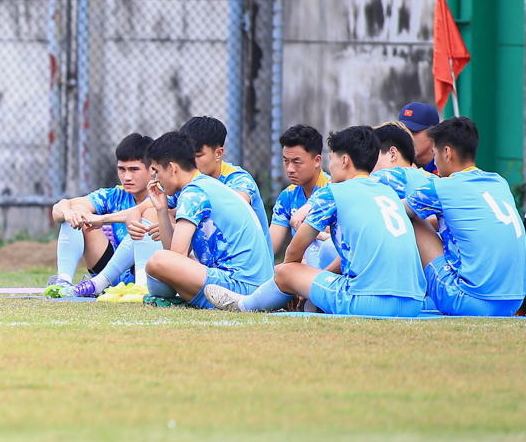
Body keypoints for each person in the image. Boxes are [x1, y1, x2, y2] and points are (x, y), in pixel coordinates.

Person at [205, 125, 426, 317]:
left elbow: (293, 252)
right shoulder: (387, 191)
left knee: (286, 271)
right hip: (413, 303)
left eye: (332, 159)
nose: (331, 166)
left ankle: (243, 304)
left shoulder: (333, 191)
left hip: (367, 301)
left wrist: (292, 282)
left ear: (344, 160)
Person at [404, 117, 526, 317]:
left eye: (435, 153)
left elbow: (394, 211)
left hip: (468, 301)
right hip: (514, 301)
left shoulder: (443, 186)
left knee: (413, 219)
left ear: (447, 152)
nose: (435, 161)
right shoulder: (499, 182)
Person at [142, 132, 273, 309]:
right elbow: (175, 256)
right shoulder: (206, 184)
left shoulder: (194, 192)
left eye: (157, 172)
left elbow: (174, 257)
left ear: (172, 168)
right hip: (256, 286)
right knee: (165, 260)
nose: (156, 180)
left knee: (158, 260)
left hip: (240, 286)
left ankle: (230, 302)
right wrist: (162, 211)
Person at [44, 134, 155, 298]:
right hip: (111, 273)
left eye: (134, 169)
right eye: (121, 169)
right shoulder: (114, 194)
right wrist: (68, 213)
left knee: (146, 220)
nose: (127, 177)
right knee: (77, 211)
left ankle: (141, 287)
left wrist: (102, 219)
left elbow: (143, 211)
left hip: (147, 272)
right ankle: (63, 282)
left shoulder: (163, 193)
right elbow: (59, 208)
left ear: (152, 169)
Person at [179, 116, 269, 232]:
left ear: (218, 153)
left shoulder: (240, 180)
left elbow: (234, 208)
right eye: (186, 156)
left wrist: (183, 221)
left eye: (198, 156)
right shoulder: (184, 176)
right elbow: (158, 202)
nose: (190, 161)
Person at [270, 124, 330, 258]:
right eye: (286, 161)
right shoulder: (287, 196)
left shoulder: (333, 191)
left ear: (317, 160)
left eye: (297, 162)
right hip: (300, 264)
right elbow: (270, 247)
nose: (290, 169)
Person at [370, 121, 432, 198]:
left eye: (373, 157)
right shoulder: (432, 179)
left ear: (393, 154)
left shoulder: (387, 177)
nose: (369, 165)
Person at [398, 102, 440, 174]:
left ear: (433, 134)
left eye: (413, 132)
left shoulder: (448, 166)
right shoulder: (394, 167)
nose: (406, 137)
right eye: (402, 132)